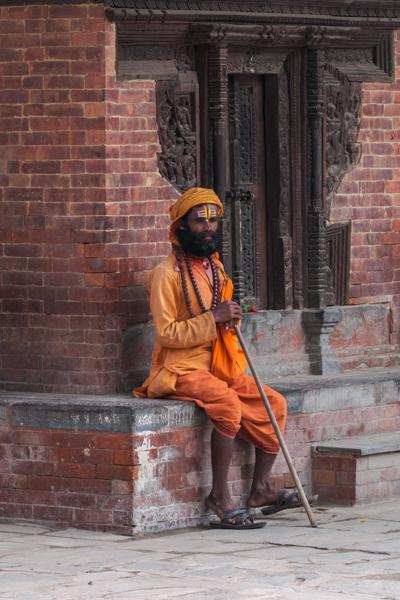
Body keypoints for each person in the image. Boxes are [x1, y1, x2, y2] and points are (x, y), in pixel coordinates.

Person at [134, 187, 310, 529]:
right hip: (180, 367)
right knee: (228, 406)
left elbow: (220, 315)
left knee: (273, 403)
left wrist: (230, 317)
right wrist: (212, 318)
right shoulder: (164, 275)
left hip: (219, 363)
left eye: (213, 220)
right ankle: (219, 498)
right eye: (200, 221)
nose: (209, 227)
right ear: (181, 226)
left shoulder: (216, 269)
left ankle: (260, 490)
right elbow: (168, 333)